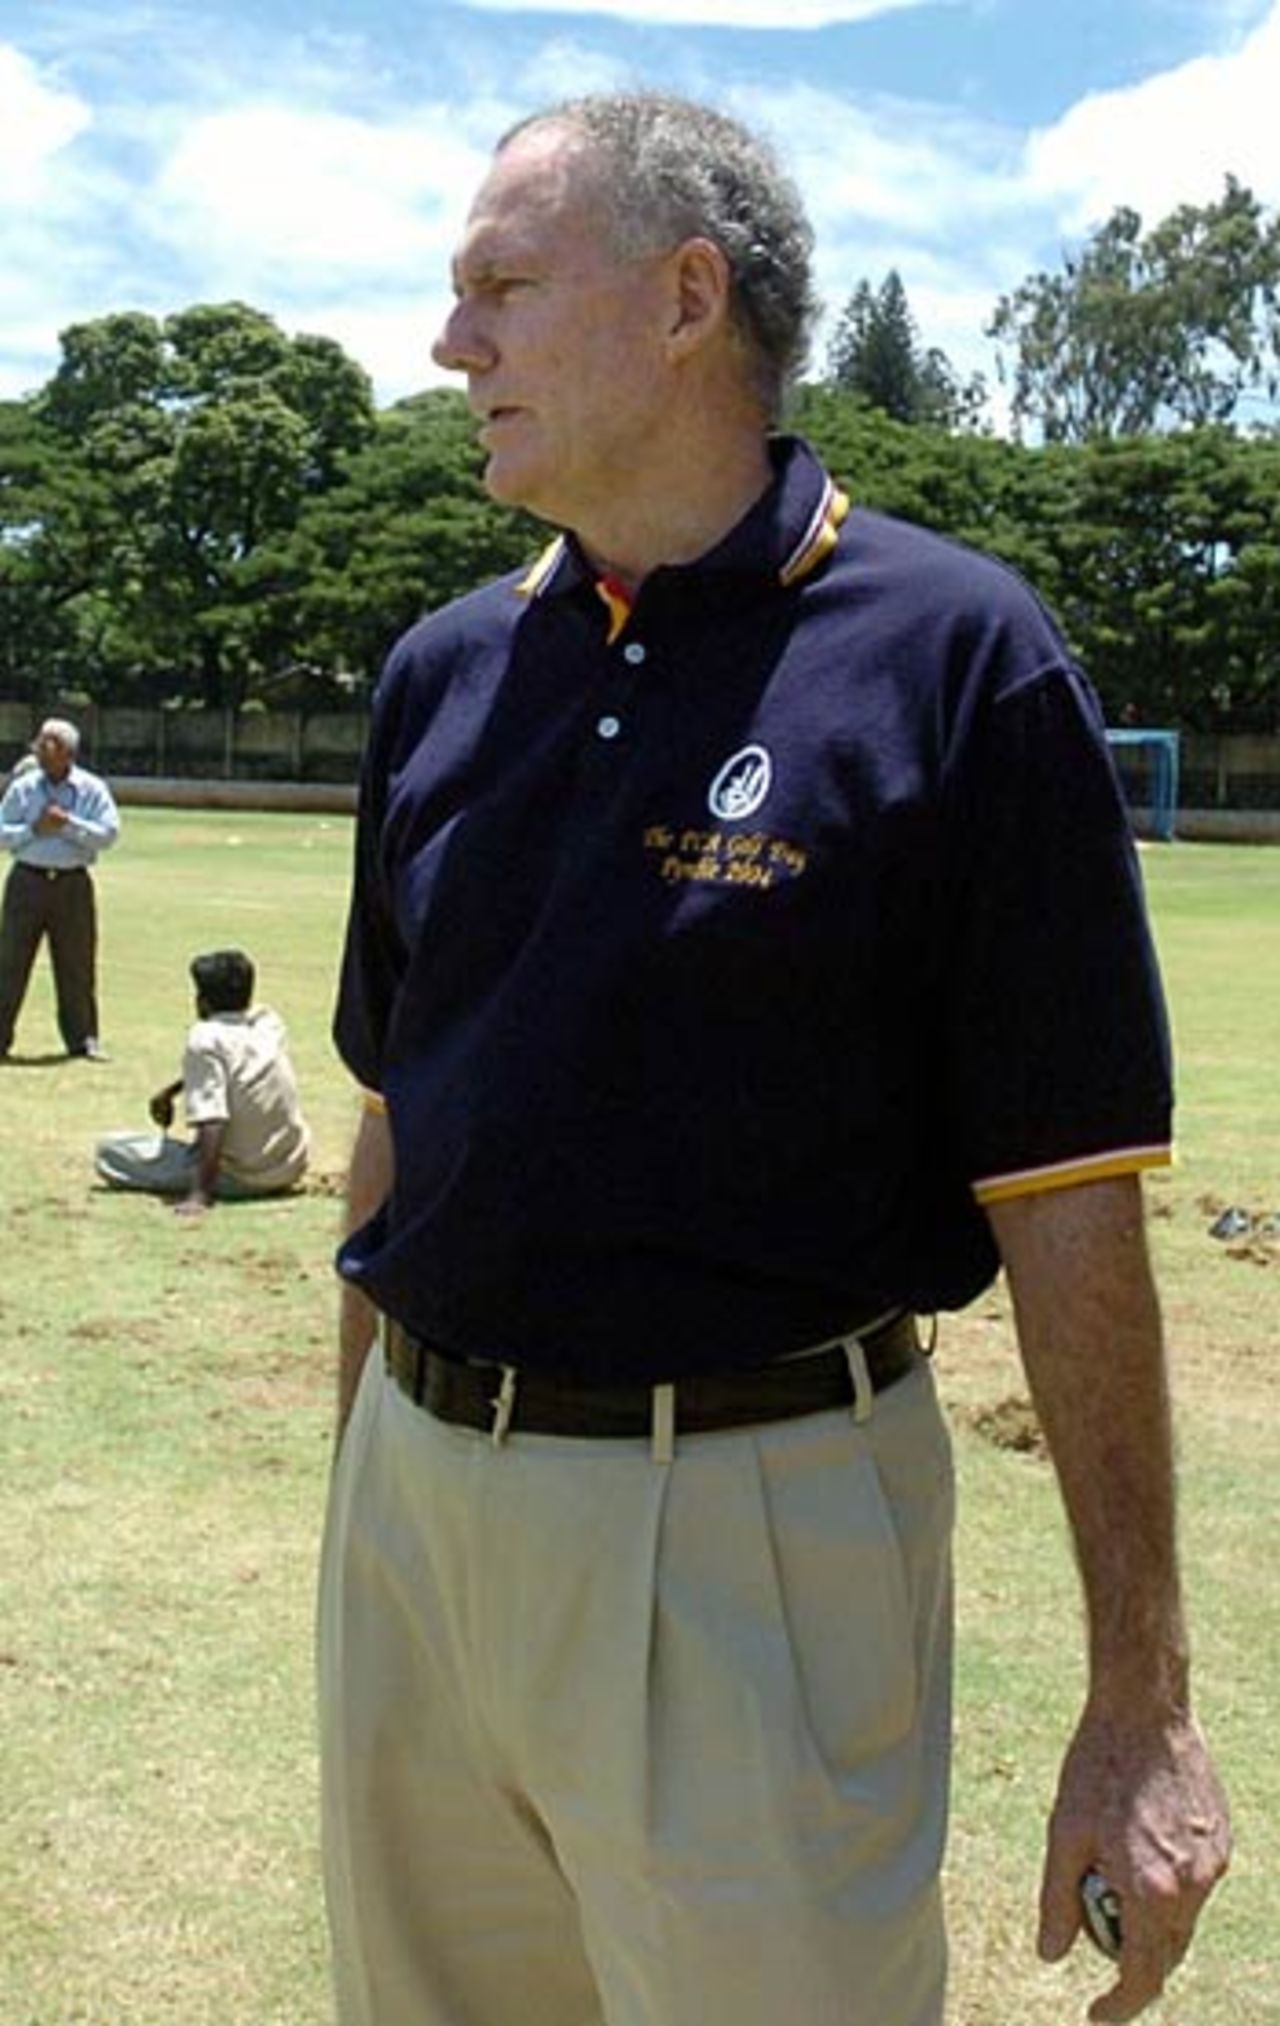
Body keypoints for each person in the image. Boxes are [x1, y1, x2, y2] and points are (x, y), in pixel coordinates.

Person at [318, 91, 1230, 2026]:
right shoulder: (442, 673)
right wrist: (356, 1494)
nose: (448, 344)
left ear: (684, 298)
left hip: (742, 1531)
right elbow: (396, 1117)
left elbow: (1071, 1205)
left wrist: (1141, 1700)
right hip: (416, 1520)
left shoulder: (959, 662)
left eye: (498, 288)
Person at [95, 948, 310, 1215]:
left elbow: (213, 1122)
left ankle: (207, 1184)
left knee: (110, 1151)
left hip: (243, 1176)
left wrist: (200, 1195)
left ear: (203, 1001)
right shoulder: (268, 1023)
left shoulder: (204, 1037)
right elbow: (237, 1069)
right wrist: (172, 1091)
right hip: (289, 1166)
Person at [0, 718, 120, 1060]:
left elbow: (108, 834)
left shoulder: (92, 789)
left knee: (76, 963)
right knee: (9, 962)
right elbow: (1, 832)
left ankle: (83, 1040)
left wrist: (68, 825)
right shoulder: (23, 788)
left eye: (46, 744)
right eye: (38, 743)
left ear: (67, 752)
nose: (38, 749)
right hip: (27, 881)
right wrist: (34, 829)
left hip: (72, 884)